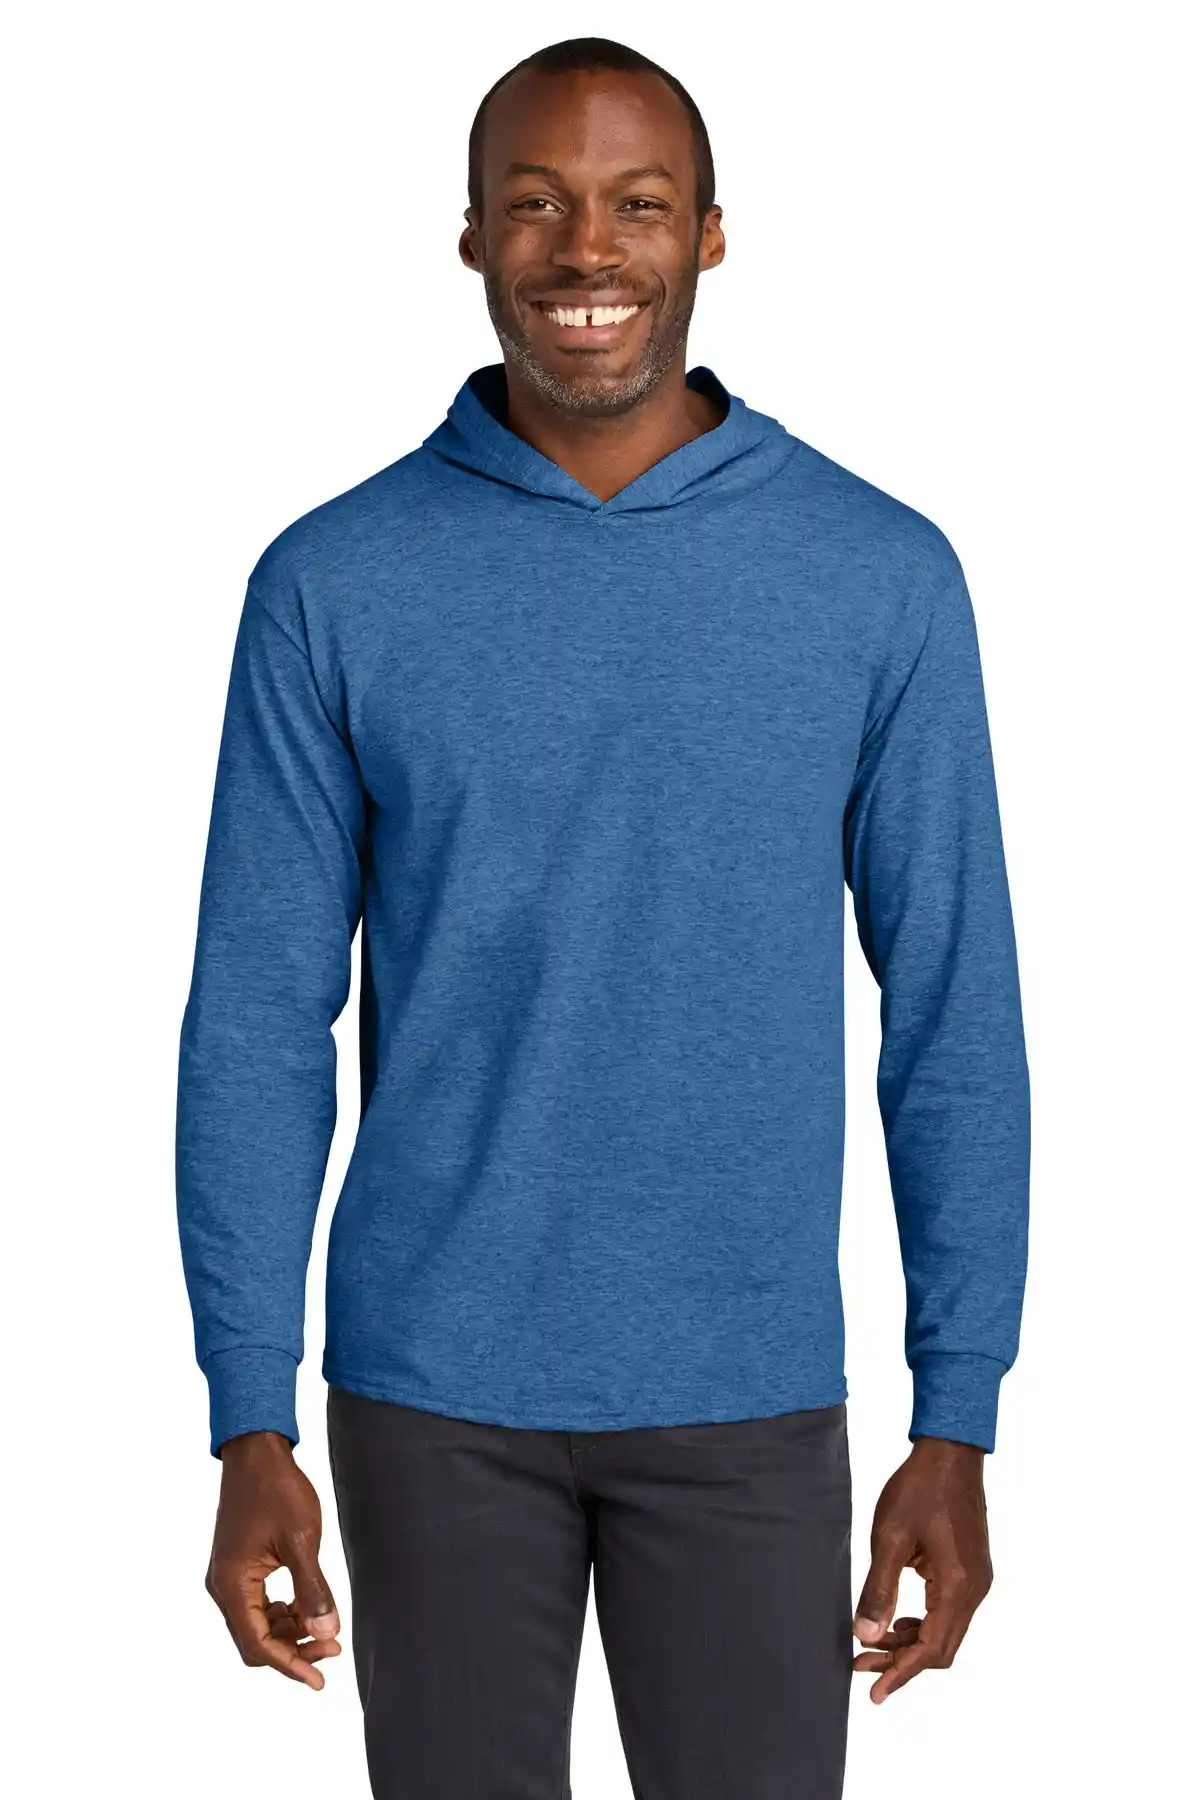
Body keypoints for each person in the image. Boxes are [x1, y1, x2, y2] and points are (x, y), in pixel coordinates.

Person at [176, 35, 1030, 1800]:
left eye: (637, 204)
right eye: (536, 205)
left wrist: (959, 1413)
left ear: (710, 233)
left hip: (747, 1392)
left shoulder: (878, 577)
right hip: (429, 1394)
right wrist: (247, 1409)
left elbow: (953, 1014)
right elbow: (257, 1016)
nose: (585, 252)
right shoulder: (333, 582)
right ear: (470, 237)